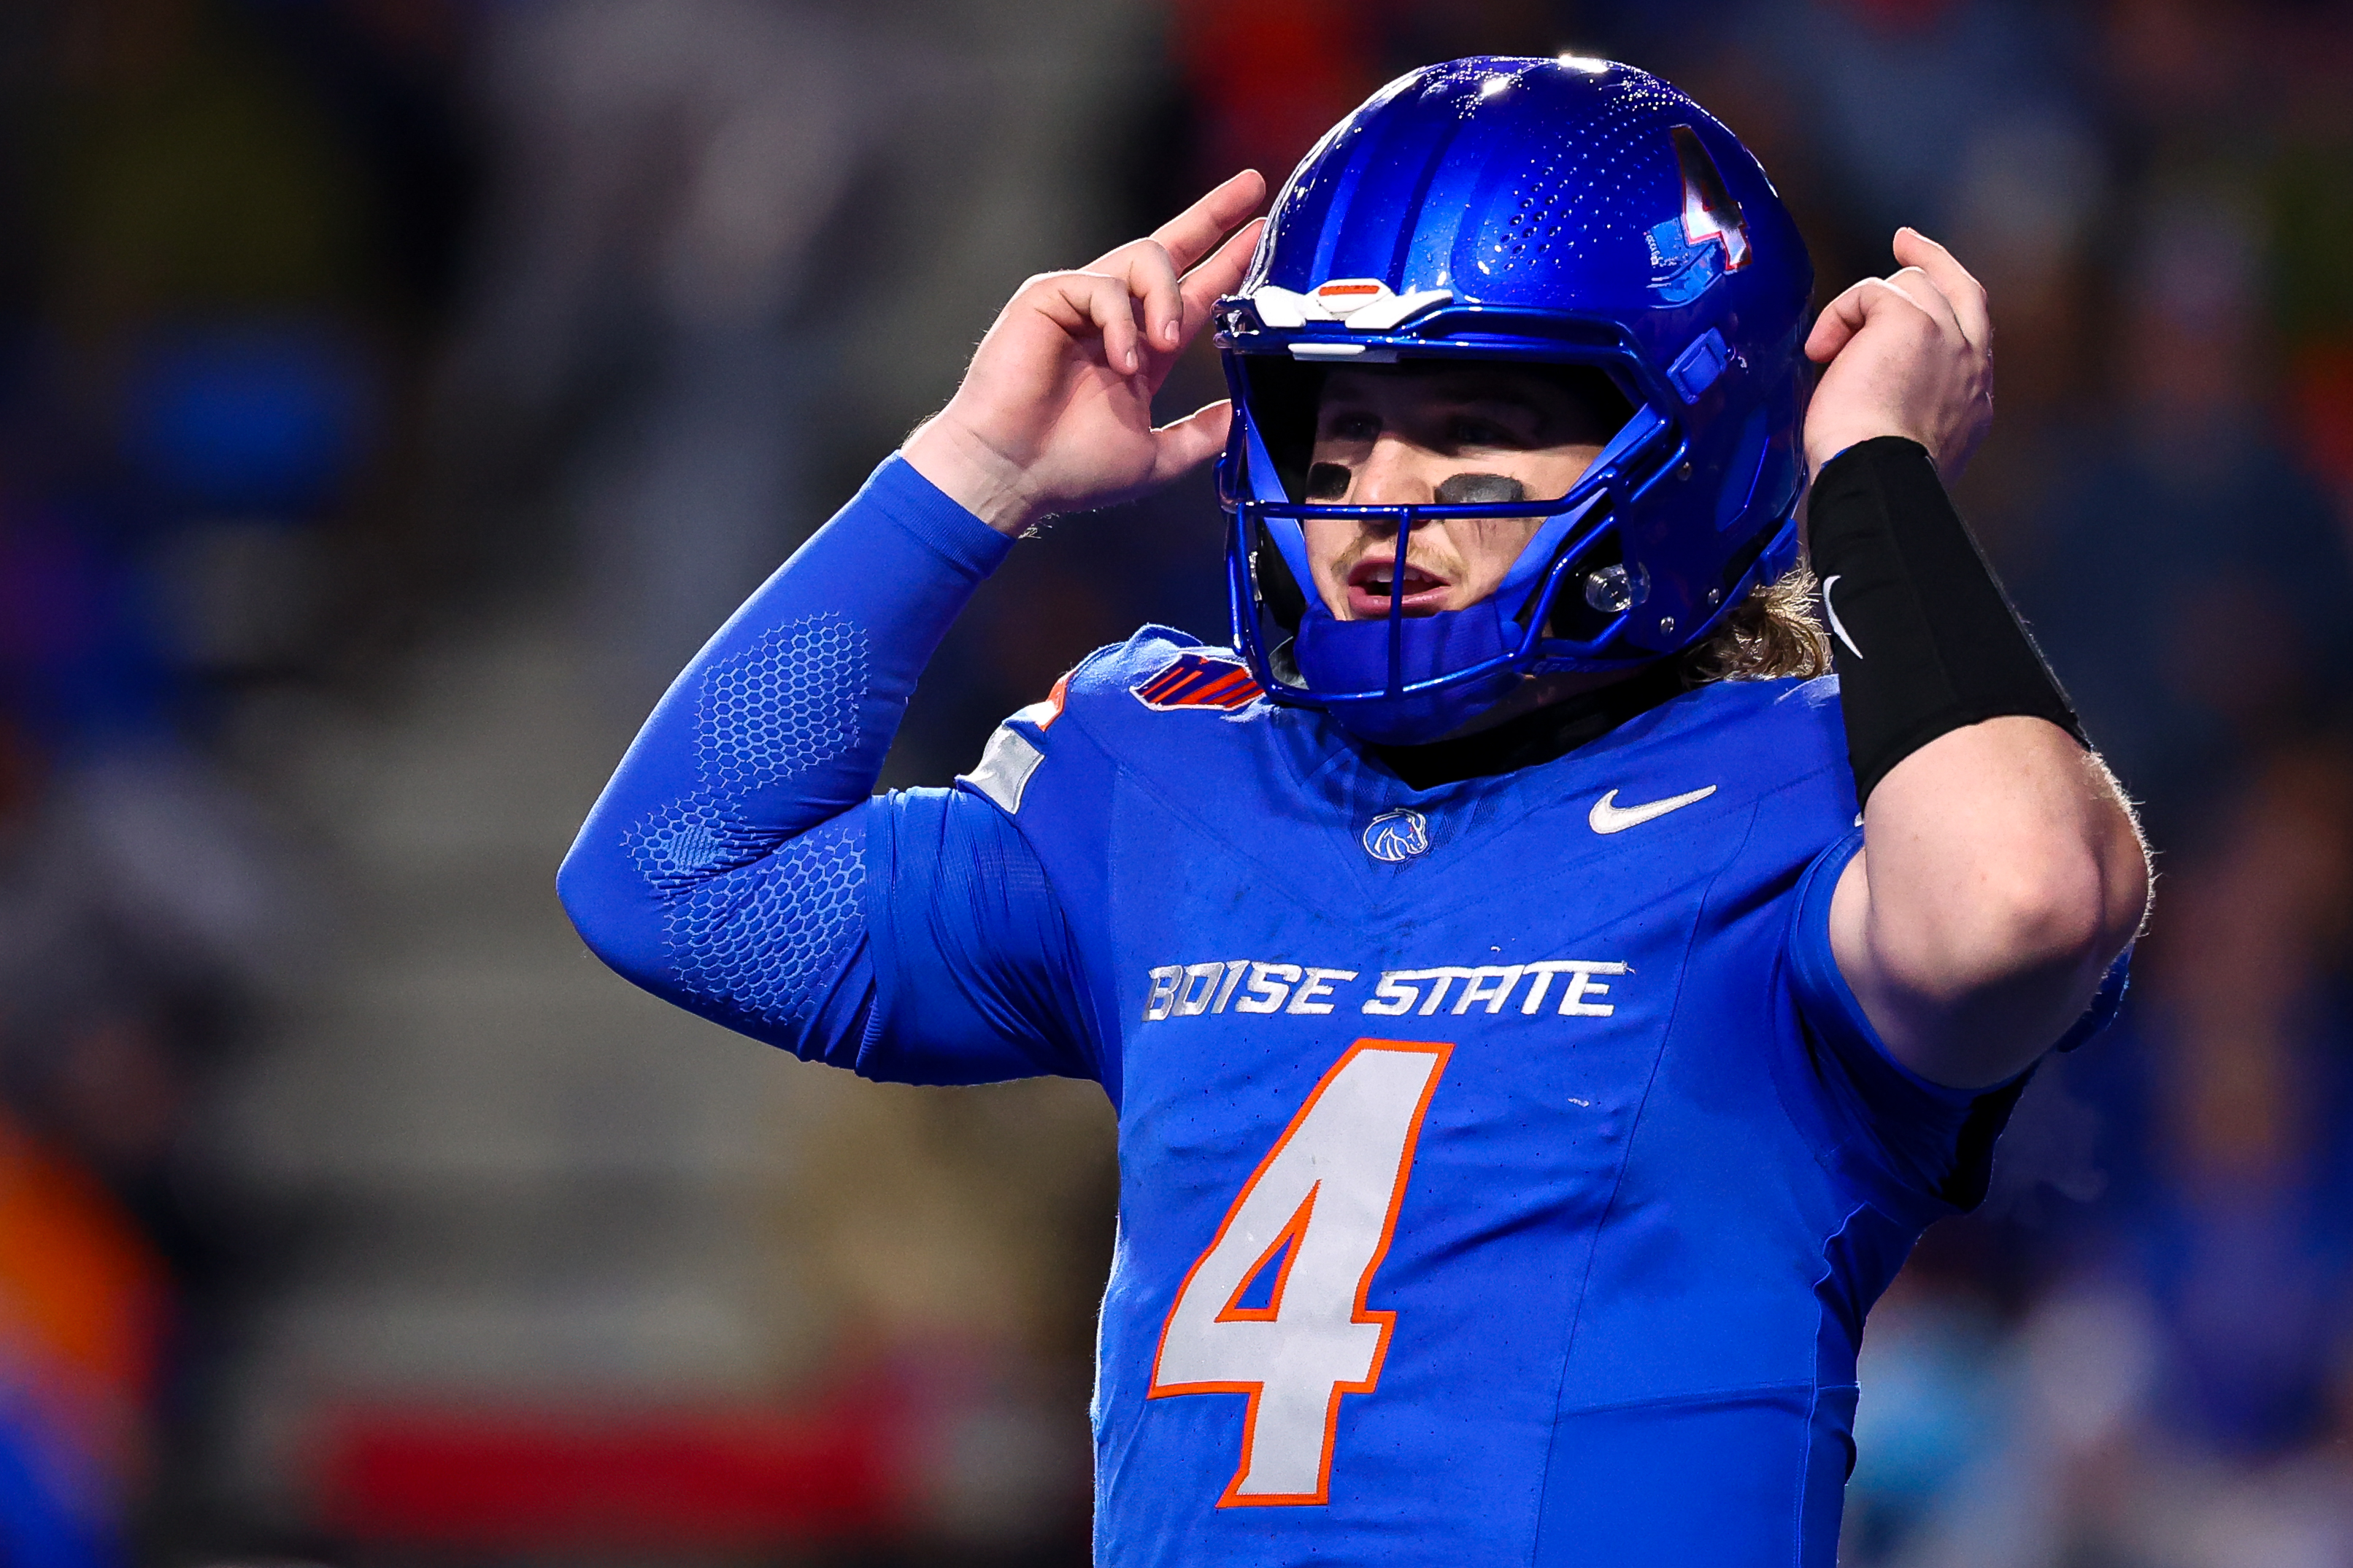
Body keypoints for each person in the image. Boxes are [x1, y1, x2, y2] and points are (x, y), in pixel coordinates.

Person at [559, 57, 2147, 1566]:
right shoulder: (1167, 766)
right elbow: (675, 880)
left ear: (1691, 444)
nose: (1380, 493)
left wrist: (1873, 470)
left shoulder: (1809, 779)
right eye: (1338, 419)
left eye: (1471, 425)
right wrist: (968, 472)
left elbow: (2014, 900)